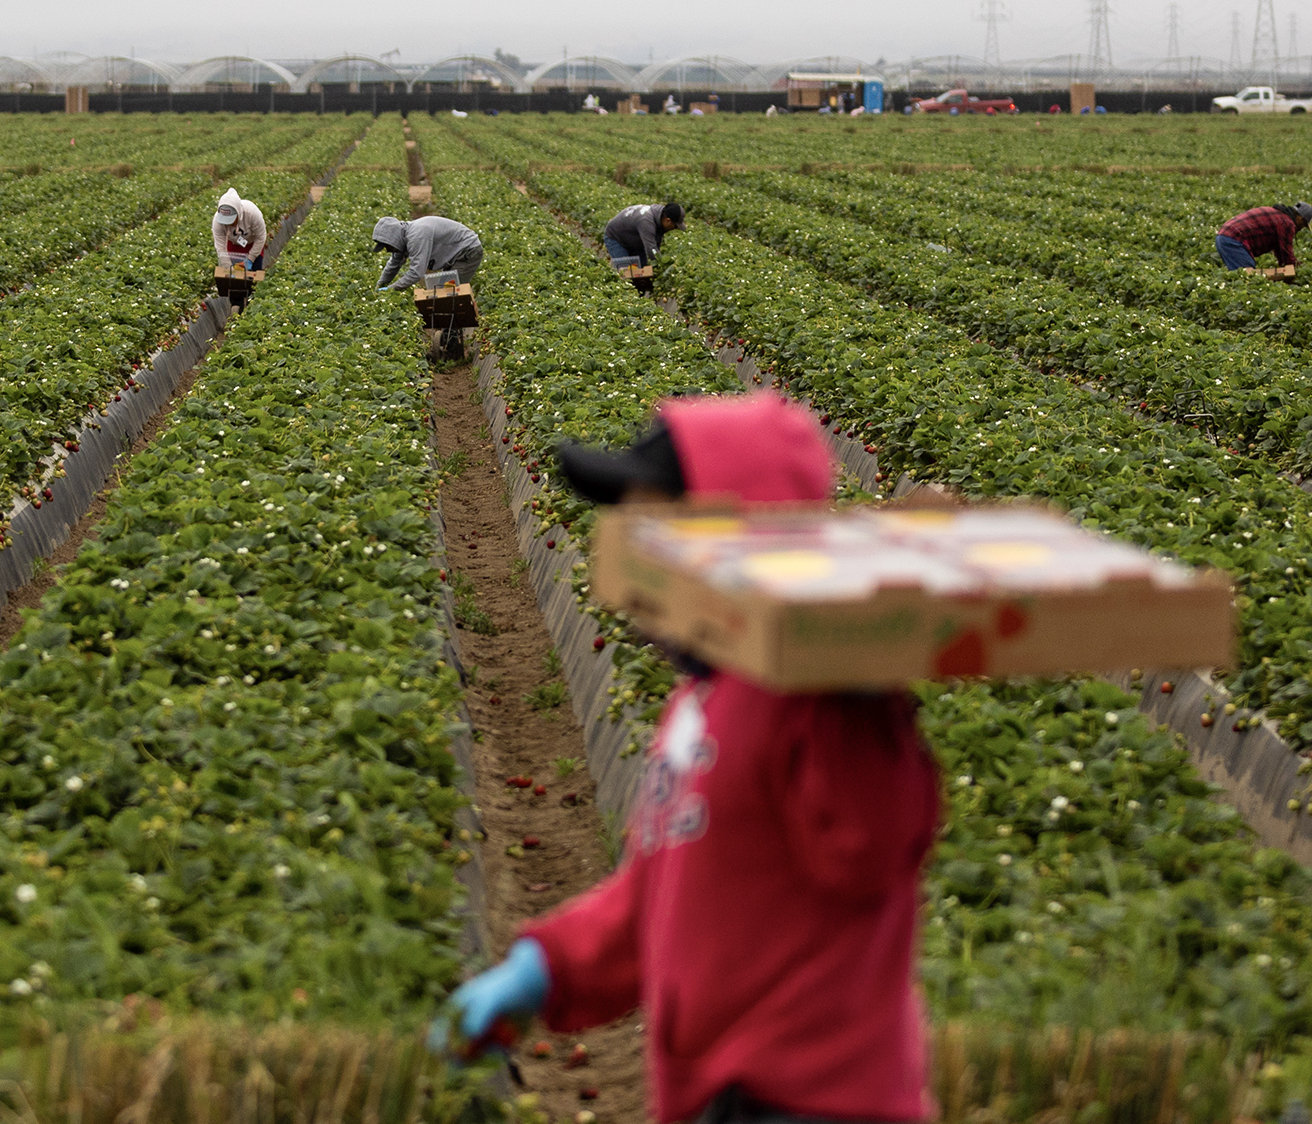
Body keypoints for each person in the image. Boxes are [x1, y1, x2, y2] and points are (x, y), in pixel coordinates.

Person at [436, 393, 943, 1124]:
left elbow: (874, 844)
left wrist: (854, 698)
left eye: (650, 533)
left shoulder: (818, 706)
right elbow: (658, 891)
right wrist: (545, 967)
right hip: (715, 1095)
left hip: (817, 1099)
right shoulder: (700, 703)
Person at [372, 215, 483, 291]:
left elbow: (416, 273)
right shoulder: (402, 237)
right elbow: (393, 264)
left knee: (451, 293)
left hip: (467, 250)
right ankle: (448, 324)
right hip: (454, 252)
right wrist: (379, 287)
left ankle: (455, 325)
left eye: (388, 246)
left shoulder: (417, 235)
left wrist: (390, 289)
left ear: (394, 239)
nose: (388, 250)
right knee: (442, 292)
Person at [1216, 201, 1312, 274]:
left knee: (1239, 274)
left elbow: (1280, 249)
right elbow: (1287, 253)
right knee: (1246, 275)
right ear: (1300, 218)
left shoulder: (1279, 215)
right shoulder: (1287, 223)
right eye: (1303, 225)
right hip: (1233, 238)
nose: (1300, 229)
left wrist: (1287, 264)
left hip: (1223, 236)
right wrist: (1293, 269)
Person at [604, 202, 684, 267]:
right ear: (668, 220)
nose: (674, 228)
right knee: (625, 271)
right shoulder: (646, 222)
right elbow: (651, 249)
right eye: (675, 226)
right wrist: (662, 266)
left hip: (633, 239)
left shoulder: (659, 217)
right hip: (616, 238)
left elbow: (656, 246)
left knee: (641, 269)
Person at [212, 187, 267, 270]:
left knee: (254, 273)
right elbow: (221, 248)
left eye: (231, 219)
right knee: (235, 277)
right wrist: (229, 269)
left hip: (253, 244)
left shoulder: (252, 213)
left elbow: (261, 237)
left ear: (238, 213)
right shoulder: (217, 221)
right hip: (234, 246)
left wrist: (250, 259)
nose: (228, 223)